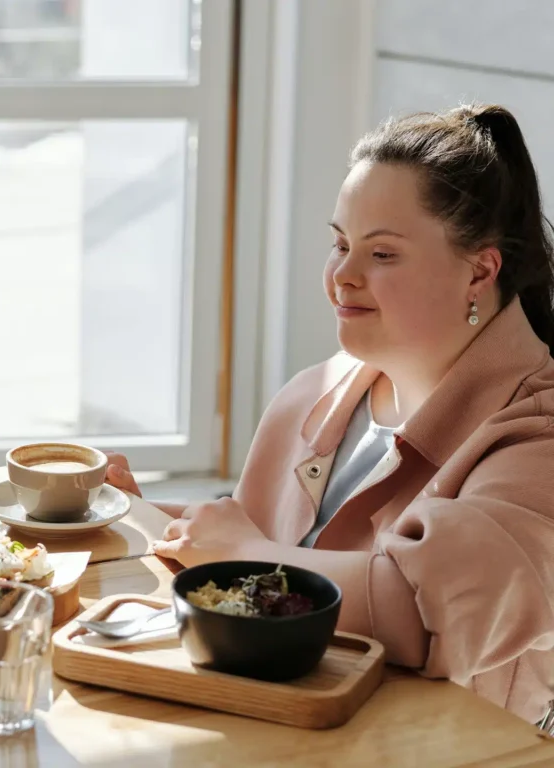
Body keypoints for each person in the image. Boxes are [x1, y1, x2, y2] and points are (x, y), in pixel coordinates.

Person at [107, 104, 554, 724]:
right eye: (340, 244)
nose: (342, 275)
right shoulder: (315, 395)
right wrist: (134, 509)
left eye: (383, 254)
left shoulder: (538, 440)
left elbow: (423, 612)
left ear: (479, 270)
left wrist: (242, 554)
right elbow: (259, 542)